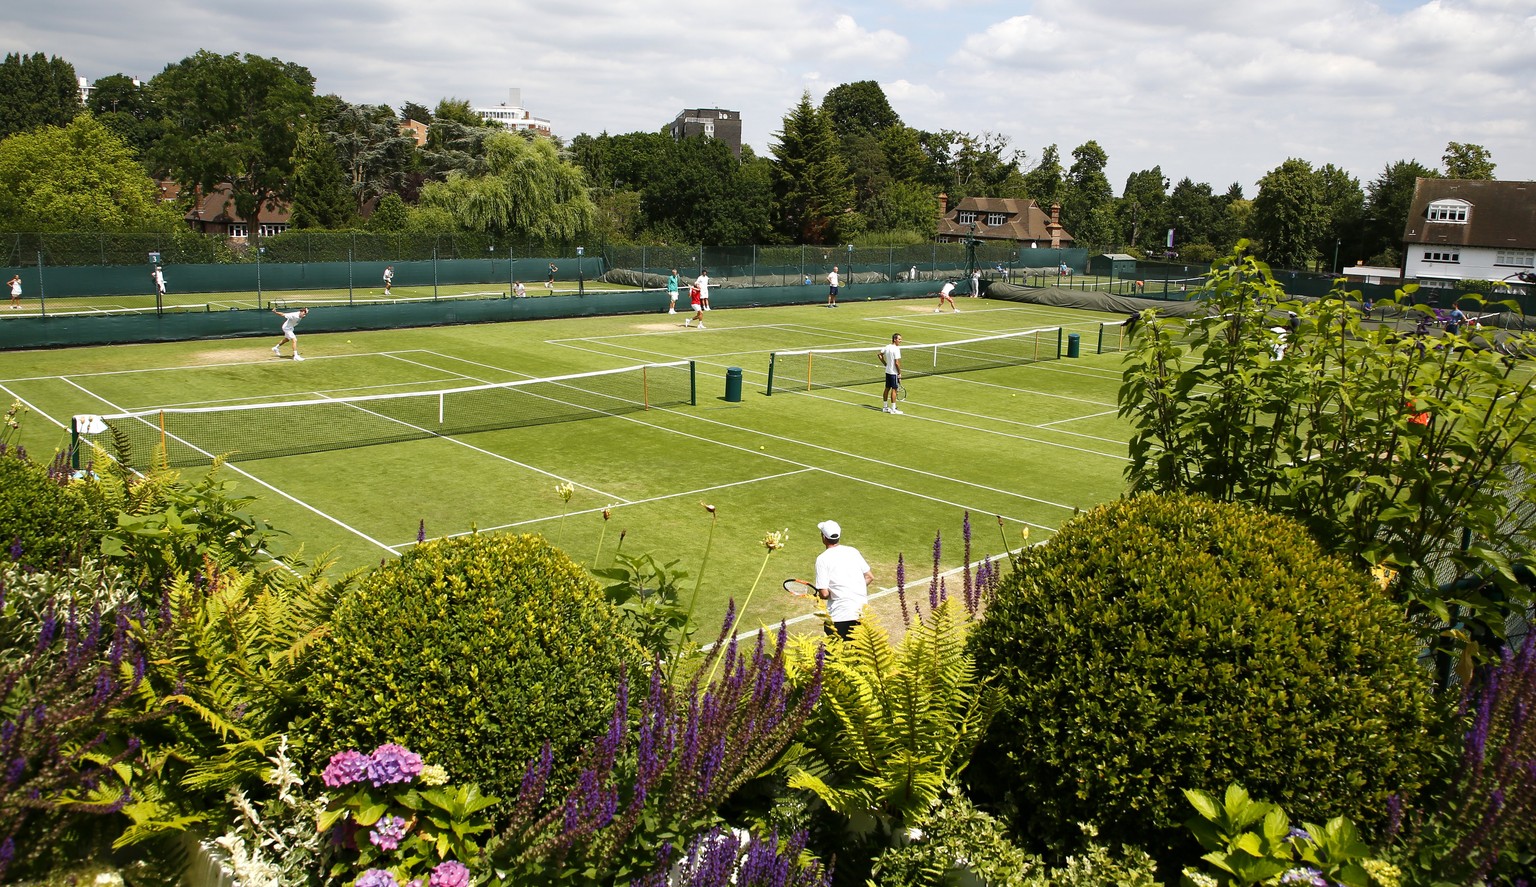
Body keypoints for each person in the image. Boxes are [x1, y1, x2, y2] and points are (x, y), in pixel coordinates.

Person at [813, 520, 873, 642]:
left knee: (834, 656)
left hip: (838, 616)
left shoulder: (822, 559)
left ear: (824, 537)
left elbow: (824, 594)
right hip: (861, 613)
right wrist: (852, 589)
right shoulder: (853, 551)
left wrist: (831, 593)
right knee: (859, 655)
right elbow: (869, 577)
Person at [877, 332, 902, 414]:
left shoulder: (887, 347)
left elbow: (879, 355)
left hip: (888, 372)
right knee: (894, 390)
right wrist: (899, 373)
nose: (900, 341)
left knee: (887, 388)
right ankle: (893, 409)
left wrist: (885, 364)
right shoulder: (896, 349)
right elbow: (897, 363)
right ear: (894, 339)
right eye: (899, 339)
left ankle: (885, 407)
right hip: (893, 373)